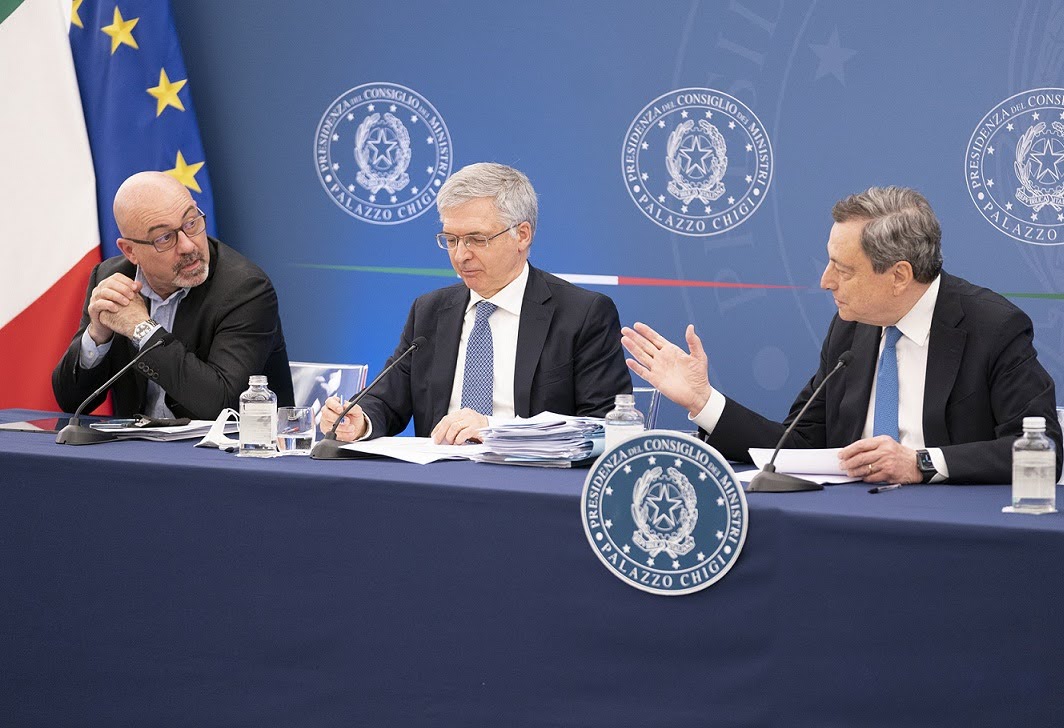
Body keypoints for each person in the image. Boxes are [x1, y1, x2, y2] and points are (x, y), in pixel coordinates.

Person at [622, 186, 1062, 484]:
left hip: (953, 535)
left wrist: (922, 463)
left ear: (898, 275)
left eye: (844, 269)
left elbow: (1043, 451)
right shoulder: (851, 327)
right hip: (850, 522)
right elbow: (797, 445)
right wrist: (703, 401)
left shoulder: (992, 327)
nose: (825, 281)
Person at [320, 162, 631, 444]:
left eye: (476, 239)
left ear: (522, 235)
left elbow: (601, 426)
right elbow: (388, 400)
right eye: (451, 240)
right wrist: (360, 421)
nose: (461, 255)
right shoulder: (429, 311)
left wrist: (495, 429)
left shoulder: (583, 314)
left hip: (531, 486)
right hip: (438, 485)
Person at [52, 171, 293, 419]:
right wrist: (98, 336)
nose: (189, 245)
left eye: (191, 223)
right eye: (164, 238)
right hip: (134, 451)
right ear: (130, 251)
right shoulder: (112, 279)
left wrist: (142, 329)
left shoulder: (246, 289)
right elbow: (71, 401)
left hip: (225, 453)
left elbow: (222, 405)